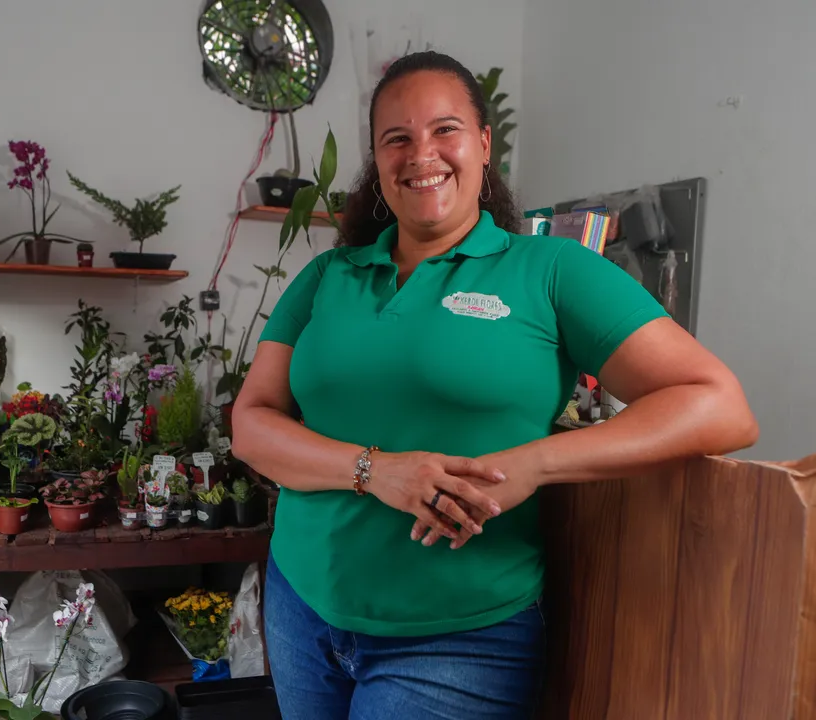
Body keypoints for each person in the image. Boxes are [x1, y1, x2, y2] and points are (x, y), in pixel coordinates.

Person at [230, 51, 758, 720]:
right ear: (377, 162)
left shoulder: (550, 271)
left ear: (483, 145)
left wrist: (535, 463)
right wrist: (376, 471)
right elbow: (253, 422)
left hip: (456, 640)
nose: (422, 153)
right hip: (302, 606)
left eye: (444, 129)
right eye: (397, 137)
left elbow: (719, 405)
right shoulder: (328, 276)